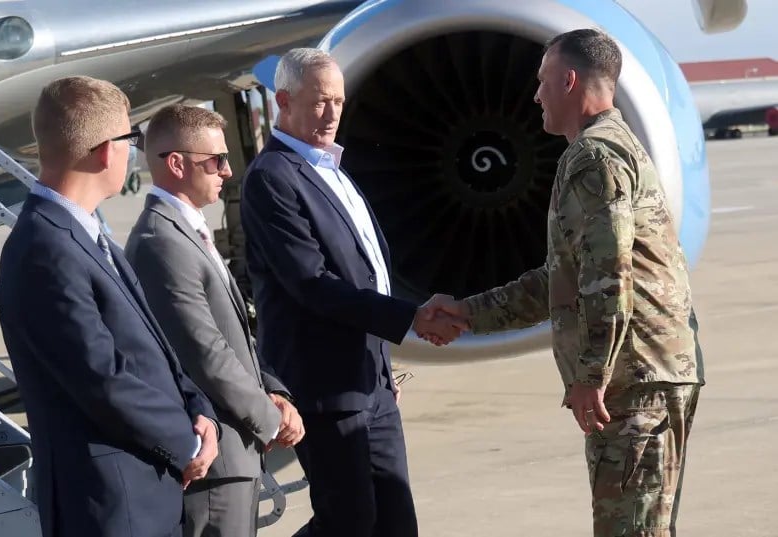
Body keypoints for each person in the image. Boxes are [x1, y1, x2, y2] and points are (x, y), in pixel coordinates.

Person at [423, 29, 705, 537]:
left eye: (543, 81)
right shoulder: (612, 148)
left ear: (570, 80)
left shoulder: (594, 158)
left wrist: (591, 375)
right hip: (646, 372)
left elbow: (606, 278)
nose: (536, 95)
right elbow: (568, 278)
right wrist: (470, 311)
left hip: (632, 378)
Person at [239, 48, 465, 537]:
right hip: (326, 390)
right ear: (283, 100)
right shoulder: (273, 178)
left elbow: (366, 272)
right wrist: (410, 318)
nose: (332, 114)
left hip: (372, 384)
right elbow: (313, 285)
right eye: (320, 101)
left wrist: (383, 365)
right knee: (350, 522)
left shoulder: (331, 169)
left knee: (397, 522)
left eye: (339, 102)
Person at [0, 76, 220, 537]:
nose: (133, 150)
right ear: (103, 150)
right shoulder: (45, 248)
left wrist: (199, 407)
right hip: (111, 508)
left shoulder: (86, 235)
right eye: (130, 139)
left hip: (143, 494)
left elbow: (152, 347)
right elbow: (102, 379)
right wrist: (187, 439)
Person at [124, 103, 304, 537]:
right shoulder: (161, 241)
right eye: (216, 161)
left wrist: (275, 392)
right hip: (215, 464)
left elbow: (234, 334)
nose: (227, 171)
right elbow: (204, 352)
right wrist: (270, 417)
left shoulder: (188, 230)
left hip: (234, 453)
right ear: (176, 164)